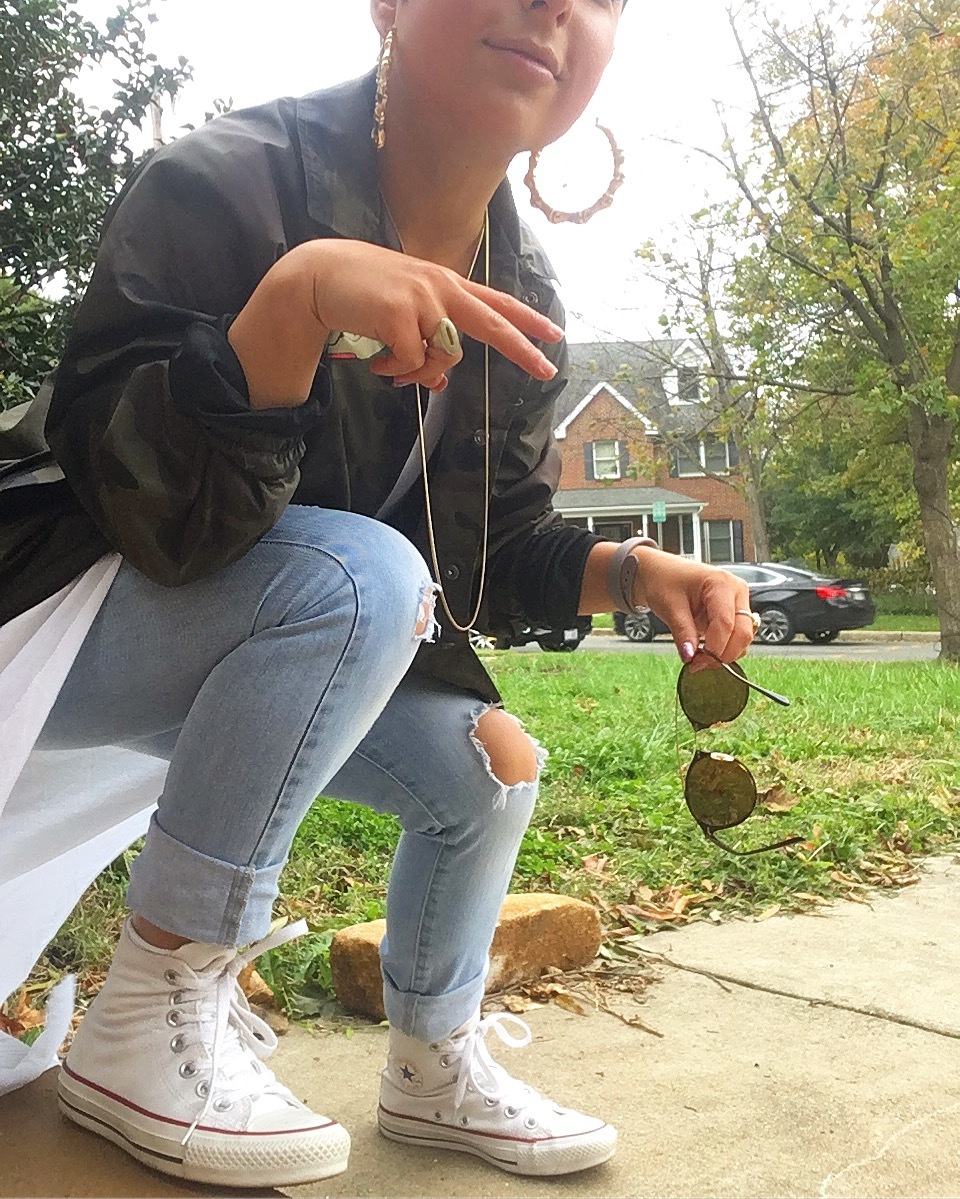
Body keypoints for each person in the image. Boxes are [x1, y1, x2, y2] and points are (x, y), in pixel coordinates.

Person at [0, 0, 756, 1188]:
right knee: (362, 575)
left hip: (263, 617)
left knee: (489, 762)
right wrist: (294, 303)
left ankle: (433, 1061)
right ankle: (152, 1002)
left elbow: (490, 547)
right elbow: (150, 518)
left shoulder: (521, 275)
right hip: (65, 619)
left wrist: (632, 570)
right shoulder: (224, 184)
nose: (557, 5)